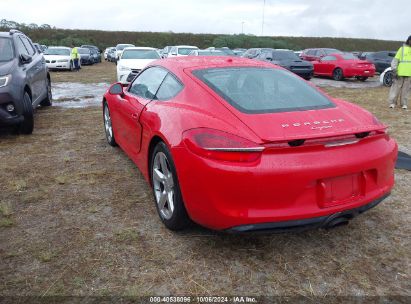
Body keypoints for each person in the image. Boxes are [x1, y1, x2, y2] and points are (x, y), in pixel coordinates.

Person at [388, 35, 411, 109]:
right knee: (395, 89)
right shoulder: (402, 49)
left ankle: (404, 104)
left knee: (406, 90)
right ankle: (392, 103)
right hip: (399, 73)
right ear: (408, 40)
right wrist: (394, 70)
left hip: (409, 74)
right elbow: (395, 60)